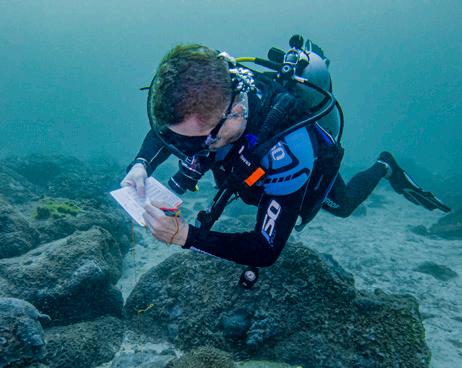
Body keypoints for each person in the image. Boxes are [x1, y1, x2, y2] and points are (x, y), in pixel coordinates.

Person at [121, 41, 450, 270]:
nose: (191, 151)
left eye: (202, 140)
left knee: (343, 206)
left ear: (236, 112)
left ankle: (384, 166)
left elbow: (265, 249)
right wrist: (140, 165)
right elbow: (169, 132)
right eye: (185, 140)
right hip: (246, 164)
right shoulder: (210, 95)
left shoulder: (290, 151)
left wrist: (183, 235)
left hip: (298, 167)